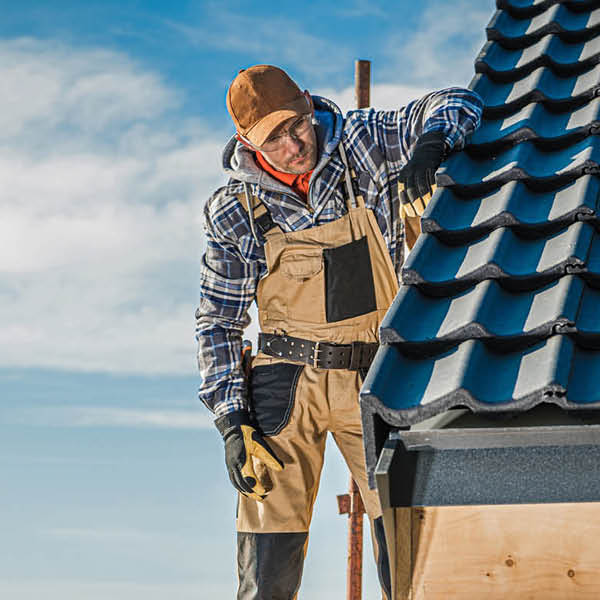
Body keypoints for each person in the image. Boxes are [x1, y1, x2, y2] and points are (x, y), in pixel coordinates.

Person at [194, 64, 483, 599]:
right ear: (246, 142)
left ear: (308, 104)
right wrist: (232, 422)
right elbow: (218, 321)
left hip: (371, 374)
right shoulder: (233, 211)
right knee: (267, 558)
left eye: (296, 126)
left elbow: (455, 101)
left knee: (408, 538)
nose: (293, 145)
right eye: (274, 140)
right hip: (283, 386)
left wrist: (430, 147)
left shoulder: (364, 144)